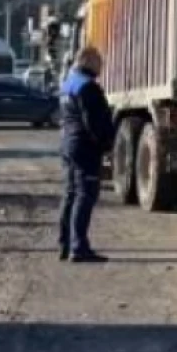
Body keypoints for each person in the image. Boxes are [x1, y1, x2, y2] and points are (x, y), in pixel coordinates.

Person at [57, 46, 114, 263]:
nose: (102, 66)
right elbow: (94, 123)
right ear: (88, 60)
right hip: (85, 148)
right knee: (84, 195)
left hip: (68, 146)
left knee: (71, 195)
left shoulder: (68, 85)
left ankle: (65, 243)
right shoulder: (88, 88)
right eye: (99, 62)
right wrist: (106, 143)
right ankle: (79, 247)